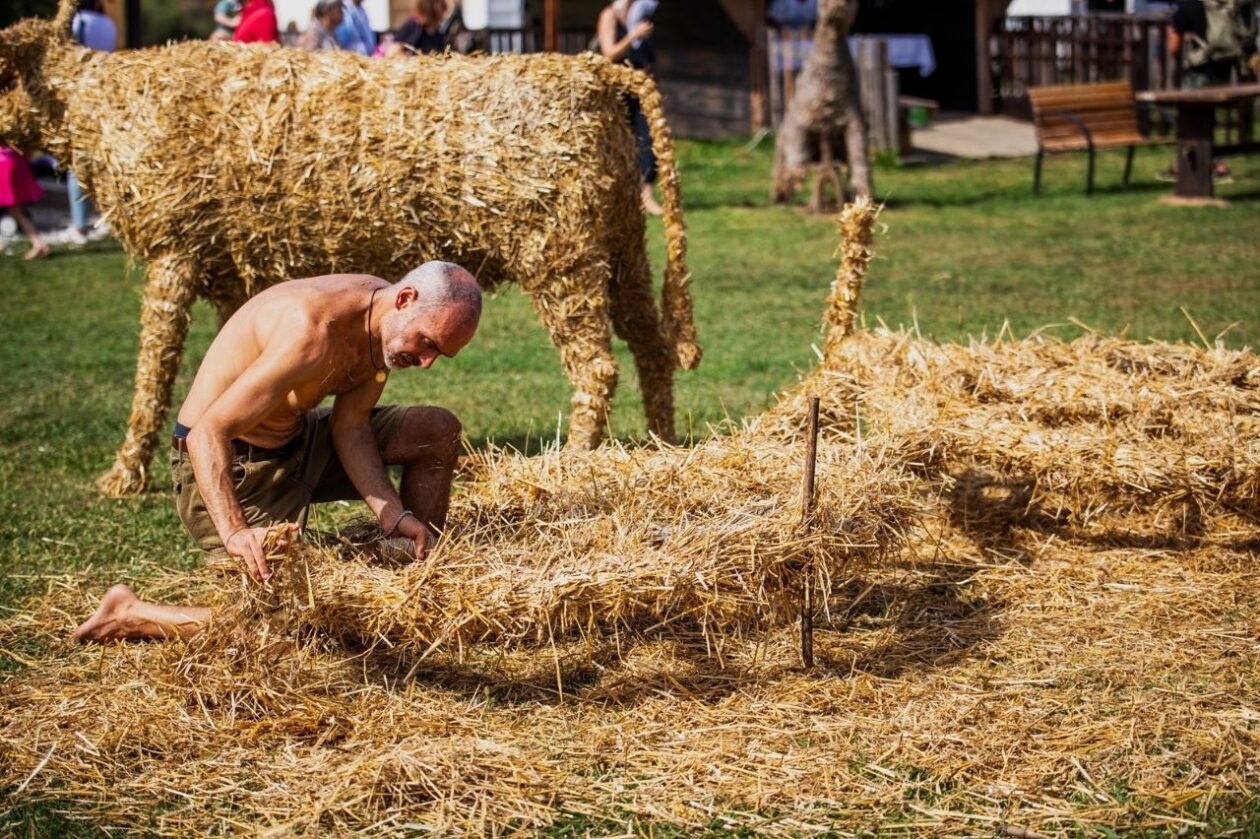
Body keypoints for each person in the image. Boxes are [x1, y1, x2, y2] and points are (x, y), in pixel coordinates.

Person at [73, 262, 483, 643]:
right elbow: (206, 433)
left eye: (438, 354)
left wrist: (393, 515)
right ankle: (130, 613)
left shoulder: (380, 321)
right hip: (231, 466)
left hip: (298, 440)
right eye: (427, 343)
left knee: (436, 430)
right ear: (405, 298)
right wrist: (235, 531)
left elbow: (351, 426)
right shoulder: (312, 331)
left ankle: (411, 579)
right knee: (287, 627)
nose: (426, 362)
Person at [1162, 0, 1257, 180]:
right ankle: (1189, 163)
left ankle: (1209, 165)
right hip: (1224, 70)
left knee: (1182, 115)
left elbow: (1173, 47)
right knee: (1206, 120)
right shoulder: (1228, 4)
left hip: (1199, 72)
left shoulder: (1189, 6)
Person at [597, 0, 663, 215]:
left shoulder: (638, 15)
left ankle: (645, 195)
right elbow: (609, 54)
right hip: (618, 90)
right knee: (620, 143)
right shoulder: (610, 16)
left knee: (649, 140)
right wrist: (633, 36)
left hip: (641, 89)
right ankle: (617, 197)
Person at [64, 0, 115, 245]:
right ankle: (107, 217)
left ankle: (80, 224)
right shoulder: (108, 23)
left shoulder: (77, 21)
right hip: (105, 93)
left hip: (81, 94)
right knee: (102, 160)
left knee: (77, 162)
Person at [1, 147, 50, 260]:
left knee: (16, 210)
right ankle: (39, 243)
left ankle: (39, 243)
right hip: (16, 161)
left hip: (4, 163)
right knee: (15, 211)